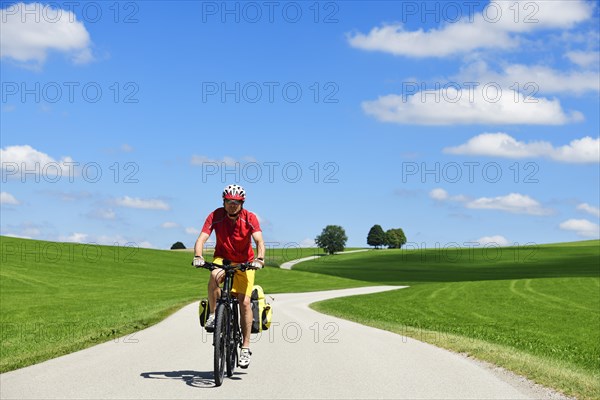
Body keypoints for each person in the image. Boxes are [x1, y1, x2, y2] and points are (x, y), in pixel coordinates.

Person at [192, 184, 265, 368]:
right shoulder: (215, 216)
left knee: (245, 303)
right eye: (229, 202)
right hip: (223, 258)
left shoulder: (250, 218)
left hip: (245, 262)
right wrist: (198, 256)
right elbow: (201, 238)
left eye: (236, 202)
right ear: (223, 202)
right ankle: (213, 314)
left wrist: (260, 258)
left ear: (242, 203)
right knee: (214, 275)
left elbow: (259, 241)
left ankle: (245, 348)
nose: (232, 205)